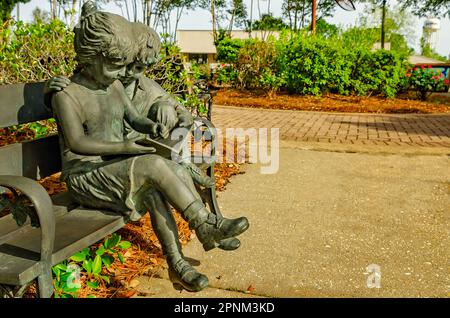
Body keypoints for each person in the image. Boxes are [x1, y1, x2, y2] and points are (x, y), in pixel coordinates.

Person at [51, 1, 249, 292]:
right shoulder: (67, 95)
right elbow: (77, 143)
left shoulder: (114, 85)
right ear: (90, 57)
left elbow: (134, 117)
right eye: (115, 65)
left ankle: (177, 264)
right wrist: (127, 146)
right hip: (85, 175)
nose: (121, 72)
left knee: (157, 183)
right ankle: (205, 224)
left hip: (111, 166)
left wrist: (150, 127)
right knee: (154, 166)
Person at [46, 23, 214, 188]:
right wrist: (49, 87)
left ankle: (183, 165)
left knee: (166, 110)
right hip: (112, 154)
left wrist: (181, 117)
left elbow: (170, 105)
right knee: (155, 172)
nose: (129, 72)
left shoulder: (143, 85)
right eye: (126, 65)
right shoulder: (105, 80)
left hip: (139, 146)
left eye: (139, 68)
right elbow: (76, 90)